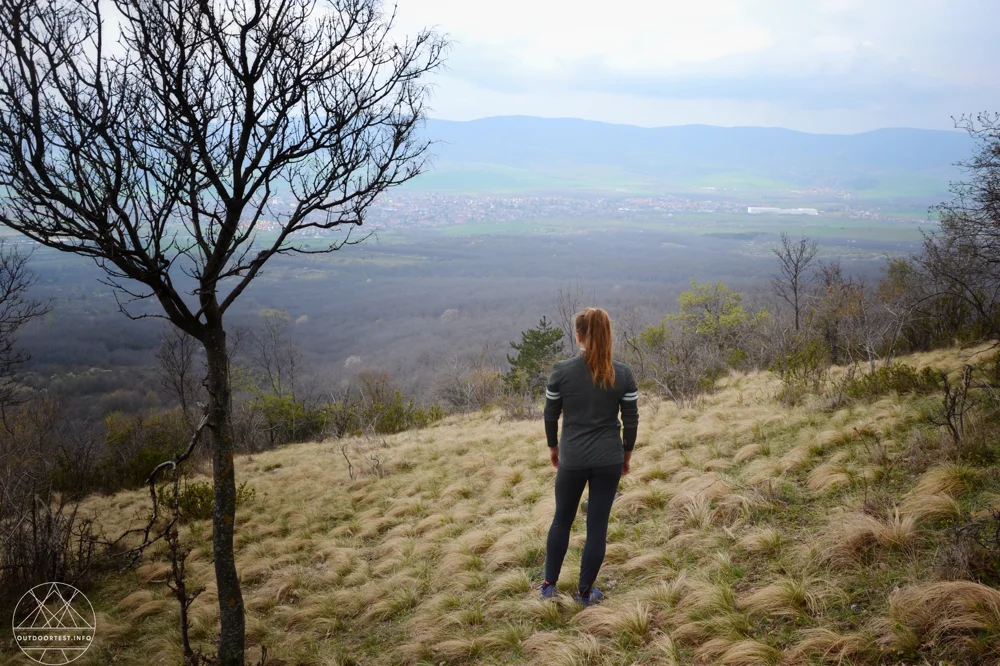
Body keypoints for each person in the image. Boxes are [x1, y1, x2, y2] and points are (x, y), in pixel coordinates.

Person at [539, 307, 639, 606]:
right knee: (597, 526)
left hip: (573, 457)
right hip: (608, 458)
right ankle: (584, 593)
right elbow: (631, 419)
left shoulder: (562, 370)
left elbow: (550, 414)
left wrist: (554, 447)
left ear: (579, 334)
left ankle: (548, 587)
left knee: (562, 520)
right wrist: (627, 454)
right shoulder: (622, 373)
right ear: (607, 334)